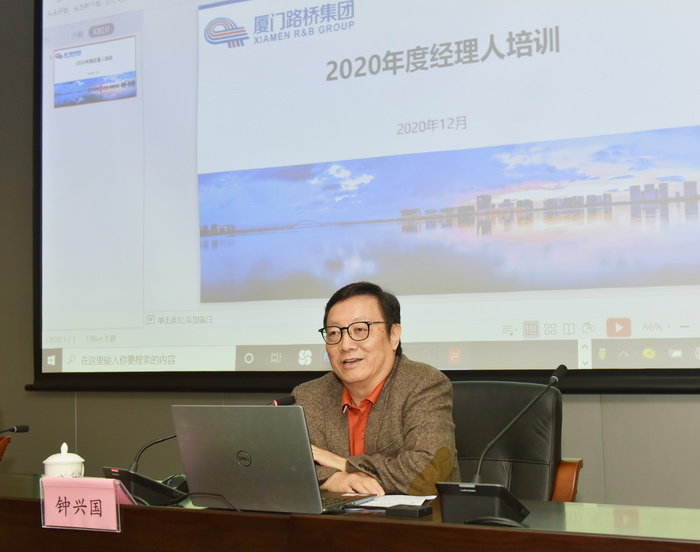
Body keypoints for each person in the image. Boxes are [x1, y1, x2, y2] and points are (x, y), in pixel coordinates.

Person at [292, 281, 460, 496]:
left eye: (360, 330)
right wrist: (331, 478)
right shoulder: (308, 396)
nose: (345, 345)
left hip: (414, 517)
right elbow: (282, 464)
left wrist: (344, 465)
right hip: (331, 517)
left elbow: (427, 472)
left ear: (394, 335)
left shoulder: (424, 384)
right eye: (334, 333)